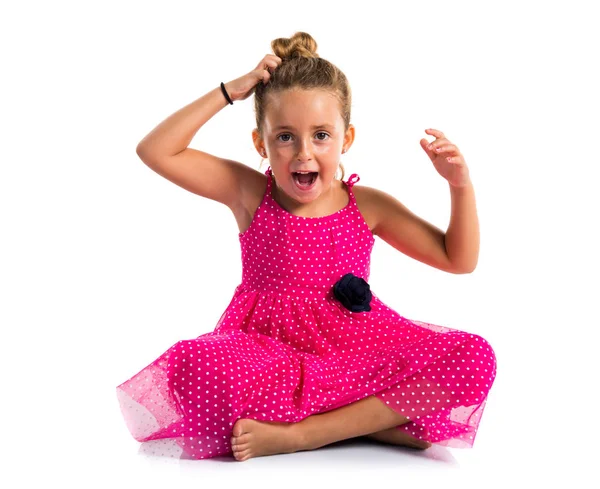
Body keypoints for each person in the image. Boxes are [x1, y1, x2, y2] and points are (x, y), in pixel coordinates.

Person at [116, 31, 497, 462]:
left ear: (345, 139)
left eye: (320, 135)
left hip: (354, 352)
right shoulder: (249, 193)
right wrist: (230, 91)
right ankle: (376, 422)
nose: (303, 153)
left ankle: (304, 433)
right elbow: (155, 150)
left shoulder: (367, 205)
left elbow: (458, 259)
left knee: (474, 356)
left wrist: (459, 186)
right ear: (260, 143)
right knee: (194, 365)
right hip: (269, 357)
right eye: (284, 137)